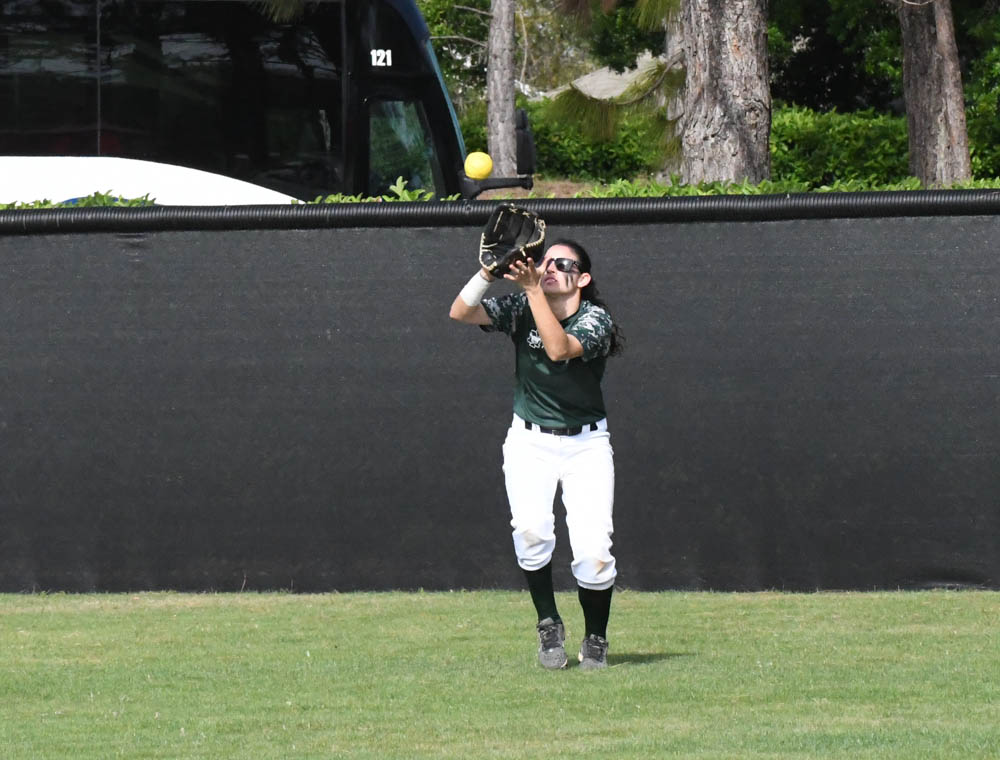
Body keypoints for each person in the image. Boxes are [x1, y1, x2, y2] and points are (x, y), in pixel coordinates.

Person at [449, 238, 623, 670]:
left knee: (593, 553)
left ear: (582, 278)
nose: (548, 268)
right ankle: (548, 622)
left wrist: (530, 291)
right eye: (544, 261)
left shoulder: (596, 319)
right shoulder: (522, 305)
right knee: (531, 534)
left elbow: (558, 349)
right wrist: (488, 272)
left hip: (585, 445)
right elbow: (460, 312)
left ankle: (596, 638)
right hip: (530, 441)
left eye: (561, 263)